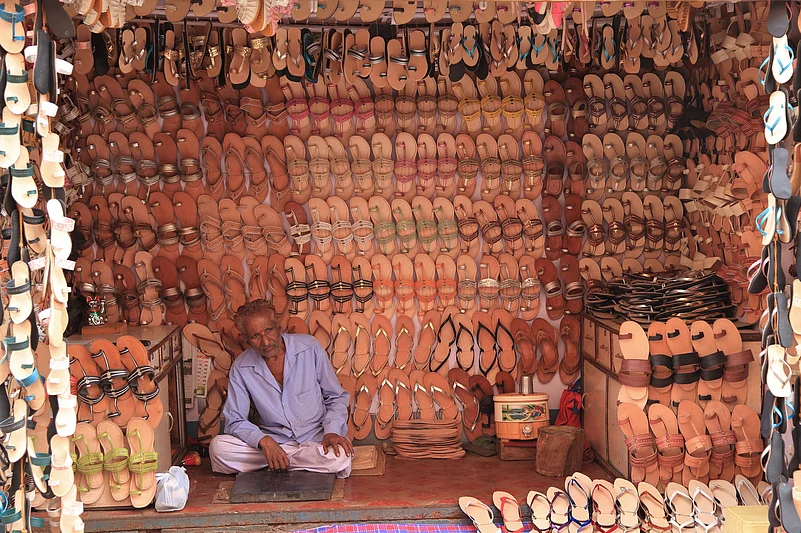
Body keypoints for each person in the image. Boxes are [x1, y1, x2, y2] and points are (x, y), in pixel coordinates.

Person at [209, 300, 353, 478]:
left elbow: (336, 397)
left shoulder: (309, 348)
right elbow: (235, 420)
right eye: (255, 336)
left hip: (316, 439)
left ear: (278, 326)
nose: (265, 341)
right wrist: (264, 441)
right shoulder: (241, 367)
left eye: (268, 330)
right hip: (276, 442)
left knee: (340, 456)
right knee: (218, 448)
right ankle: (292, 461)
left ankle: (280, 463)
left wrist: (331, 431)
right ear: (245, 340)